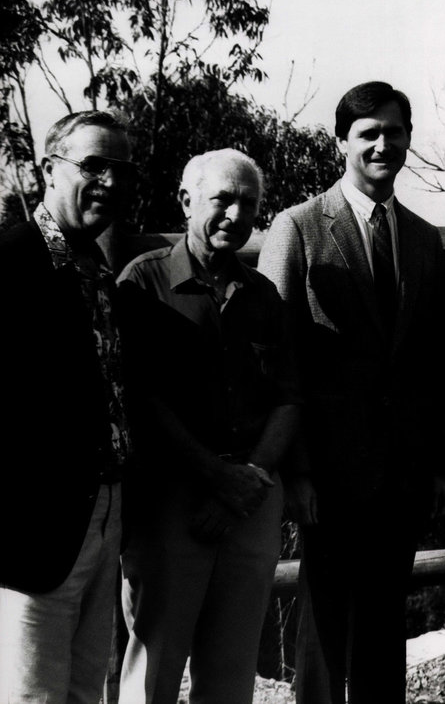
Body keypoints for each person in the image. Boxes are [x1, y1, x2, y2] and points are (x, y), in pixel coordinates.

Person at [258, 80, 445, 704]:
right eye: (367, 133)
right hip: (327, 474)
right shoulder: (297, 227)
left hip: (402, 471)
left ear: (407, 141)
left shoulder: (425, 239)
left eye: (393, 133)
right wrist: (294, 469)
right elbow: (275, 356)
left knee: (383, 624)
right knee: (323, 623)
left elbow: (436, 359)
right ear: (341, 142)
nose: (381, 145)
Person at [115, 149, 300, 703]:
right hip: (173, 503)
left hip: (250, 502)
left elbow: (290, 398)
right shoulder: (142, 284)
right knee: (155, 665)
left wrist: (248, 480)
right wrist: (215, 479)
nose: (235, 213)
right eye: (223, 198)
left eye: (249, 203)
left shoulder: (264, 295)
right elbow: (142, 400)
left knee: (231, 668)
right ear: (187, 199)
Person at [0, 111, 136, 702]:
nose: (107, 180)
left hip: (104, 516)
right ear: (47, 172)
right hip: (34, 533)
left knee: (85, 691)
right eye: (92, 166)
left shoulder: (100, 272)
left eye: (120, 170)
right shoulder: (10, 262)